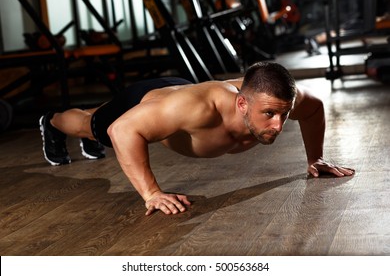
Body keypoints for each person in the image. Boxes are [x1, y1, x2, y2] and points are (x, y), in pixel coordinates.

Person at [39, 62, 354, 216]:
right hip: (147, 101)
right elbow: (121, 130)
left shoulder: (279, 98)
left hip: (176, 95)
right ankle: (51, 122)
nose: (279, 124)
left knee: (102, 119)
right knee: (90, 123)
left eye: (284, 114)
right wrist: (151, 193)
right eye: (270, 114)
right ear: (242, 104)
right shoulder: (198, 110)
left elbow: (314, 111)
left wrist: (315, 158)